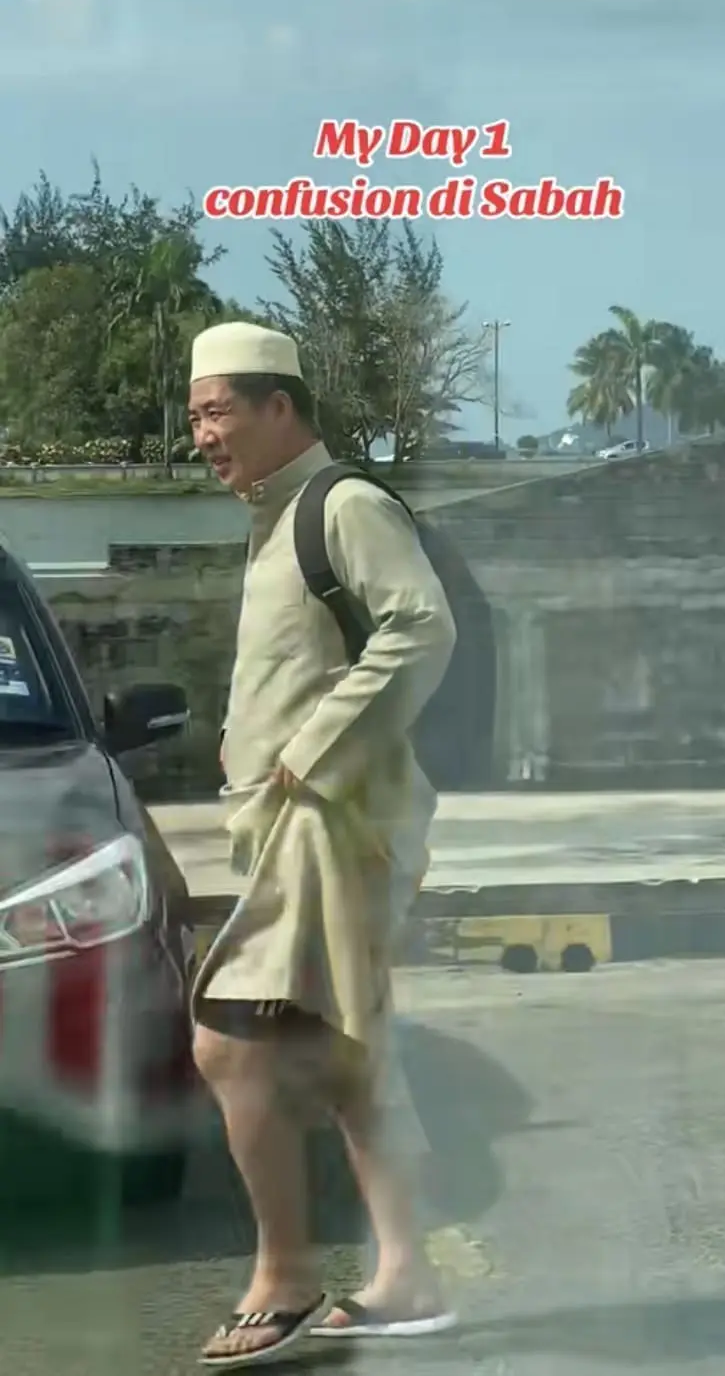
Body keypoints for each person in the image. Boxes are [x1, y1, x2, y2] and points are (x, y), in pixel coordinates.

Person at [187, 322, 458, 1368]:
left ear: (280, 407)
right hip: (295, 829)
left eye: (219, 410)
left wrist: (310, 746)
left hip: (338, 822)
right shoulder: (274, 519)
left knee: (227, 1038)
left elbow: (419, 625)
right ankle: (408, 1277)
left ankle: (285, 1276)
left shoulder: (340, 504)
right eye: (198, 413)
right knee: (349, 1057)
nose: (203, 434)